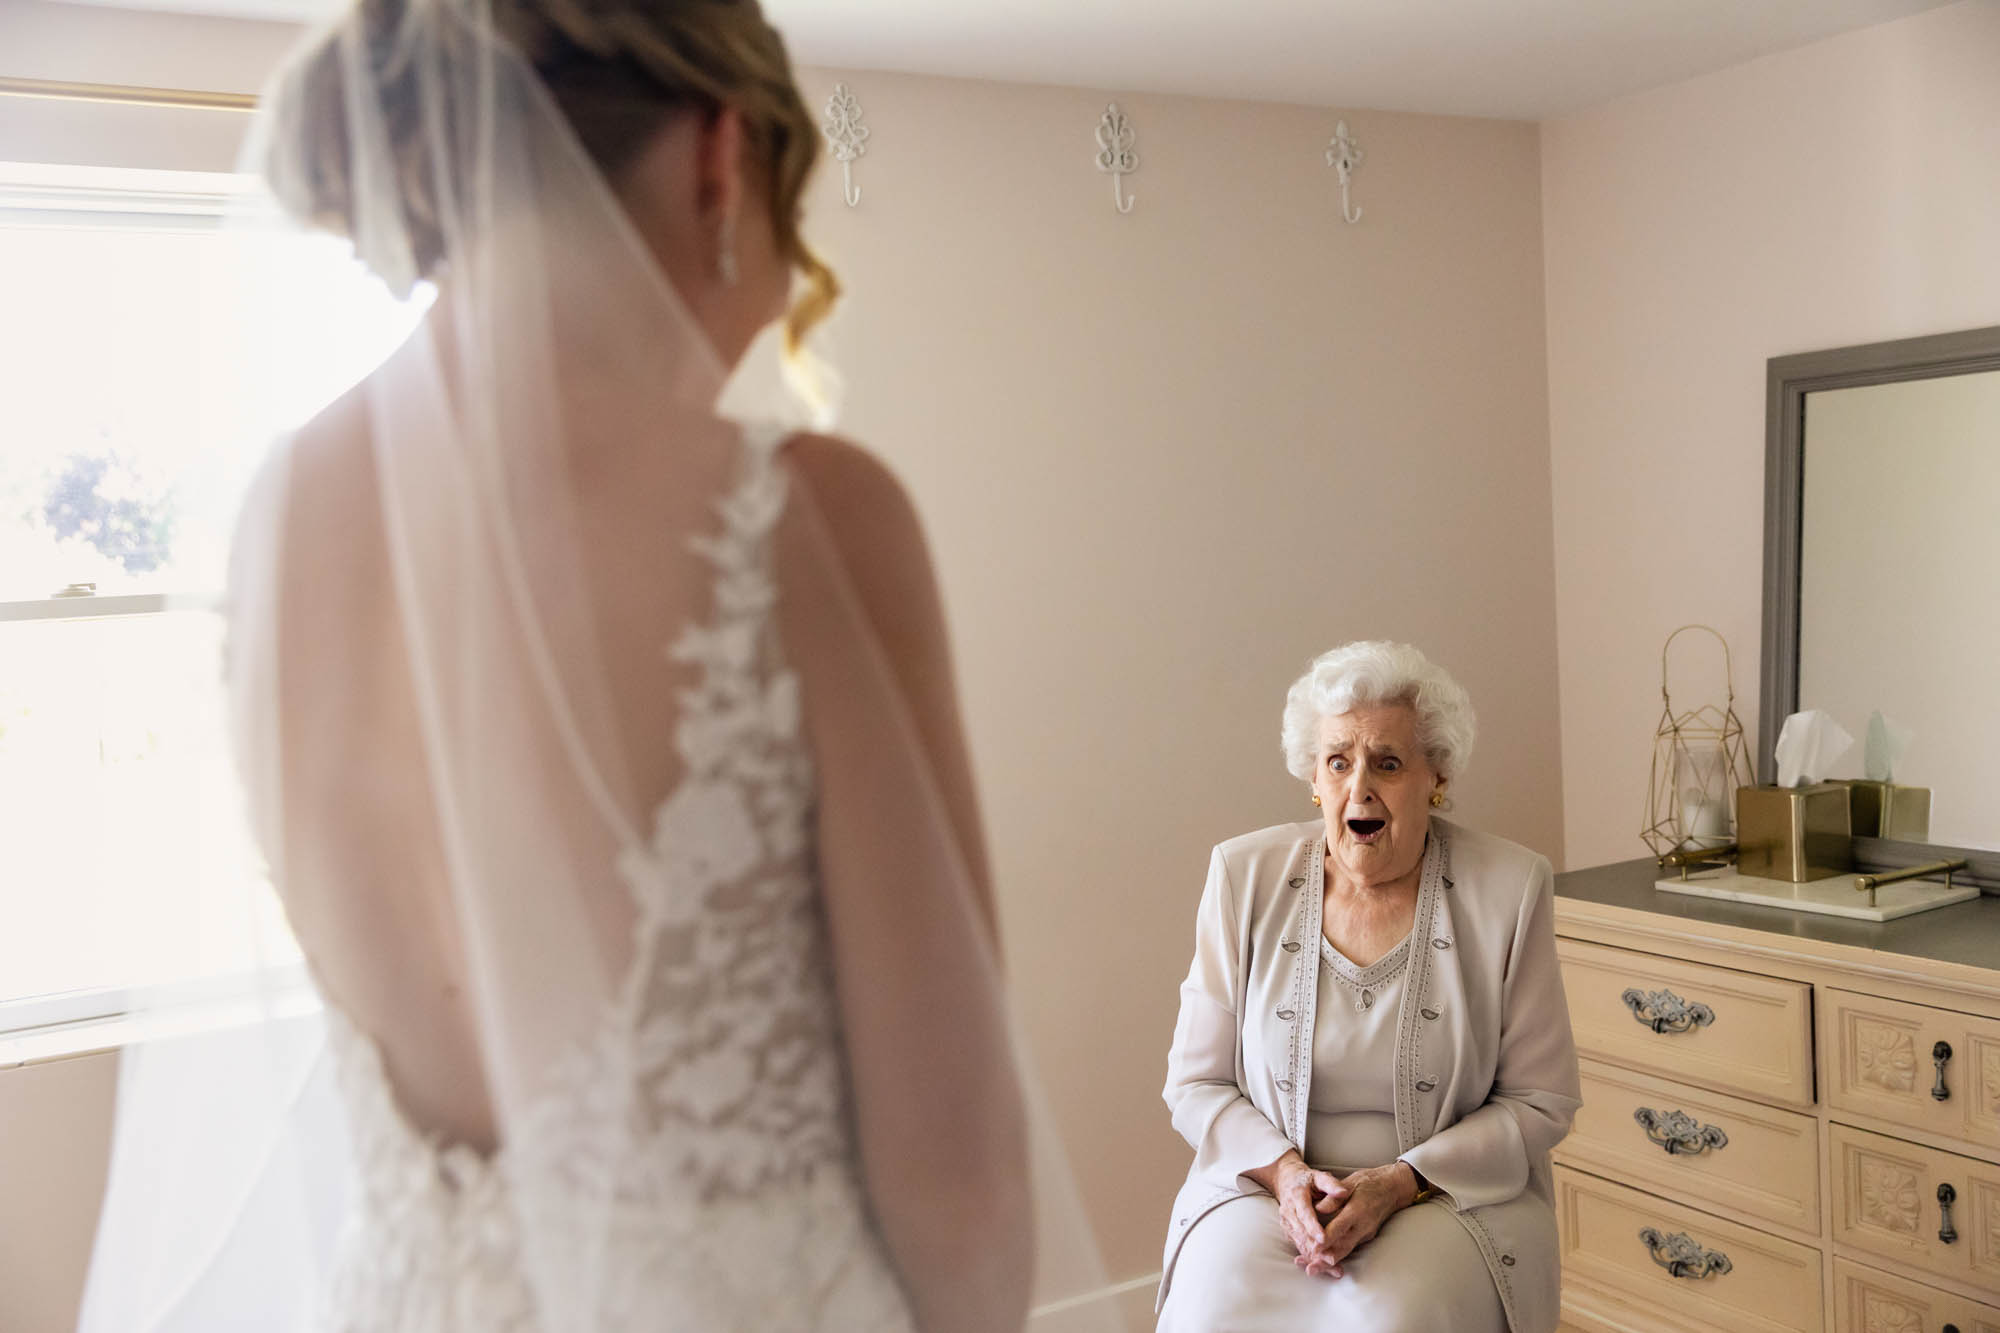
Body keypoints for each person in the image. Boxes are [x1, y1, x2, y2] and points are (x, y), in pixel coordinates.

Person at [79, 1, 1066, 1328]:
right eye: (791, 219)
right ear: (722, 159)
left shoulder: (274, 522)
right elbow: (966, 1191)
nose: (779, 303)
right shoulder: (804, 522)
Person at [1155, 641, 1581, 1332]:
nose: (1360, 788)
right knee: (1211, 1313)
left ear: (1435, 777)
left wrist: (1398, 1183)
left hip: (1443, 1195)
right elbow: (1195, 1083)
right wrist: (1286, 1174)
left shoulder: (1511, 886)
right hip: (1265, 1190)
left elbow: (1541, 1100)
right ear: (1314, 781)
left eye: (1388, 762)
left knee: (1389, 1322)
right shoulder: (1242, 876)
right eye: (1338, 761)